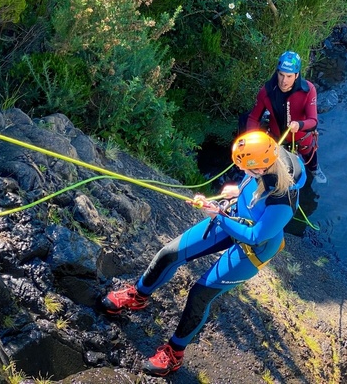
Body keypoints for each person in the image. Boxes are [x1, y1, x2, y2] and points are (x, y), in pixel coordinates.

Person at [101, 131, 306, 377]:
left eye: (246, 169)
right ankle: (138, 295)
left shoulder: (282, 200)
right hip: (233, 218)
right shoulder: (266, 157)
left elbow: (255, 236)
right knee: (170, 253)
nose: (242, 171)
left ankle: (175, 353)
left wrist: (217, 215)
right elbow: (249, 187)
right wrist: (234, 193)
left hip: (253, 248)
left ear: (261, 169)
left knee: (200, 294)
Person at [246, 50, 327, 184]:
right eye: (281, 75)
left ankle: (314, 169)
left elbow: (313, 121)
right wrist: (252, 141)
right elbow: (253, 118)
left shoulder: (308, 90)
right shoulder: (266, 92)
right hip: (277, 139)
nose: (284, 81)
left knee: (309, 153)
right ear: (277, 72)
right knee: (280, 171)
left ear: (296, 75)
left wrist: (299, 125)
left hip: (302, 137)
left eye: (289, 76)